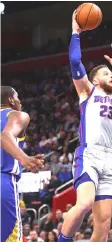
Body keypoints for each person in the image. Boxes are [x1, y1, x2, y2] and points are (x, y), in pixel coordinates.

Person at [58, 10, 112, 242]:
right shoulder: (87, 92)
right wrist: (75, 32)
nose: (111, 76)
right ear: (94, 80)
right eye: (106, 73)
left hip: (110, 158)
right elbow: (74, 61)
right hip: (89, 153)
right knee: (84, 204)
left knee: (104, 223)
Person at [0, 86, 44, 242]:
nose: (20, 101)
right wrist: (23, 158)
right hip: (4, 183)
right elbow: (5, 136)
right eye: (17, 97)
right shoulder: (17, 115)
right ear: (11, 99)